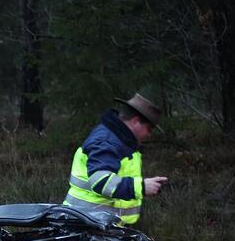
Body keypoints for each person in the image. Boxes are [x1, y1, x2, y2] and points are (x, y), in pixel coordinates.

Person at [63, 93, 167, 226]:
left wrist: (144, 185)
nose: (149, 134)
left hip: (97, 224)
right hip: (86, 225)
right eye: (149, 128)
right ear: (135, 121)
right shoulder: (107, 142)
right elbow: (101, 181)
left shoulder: (121, 140)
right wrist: (141, 187)